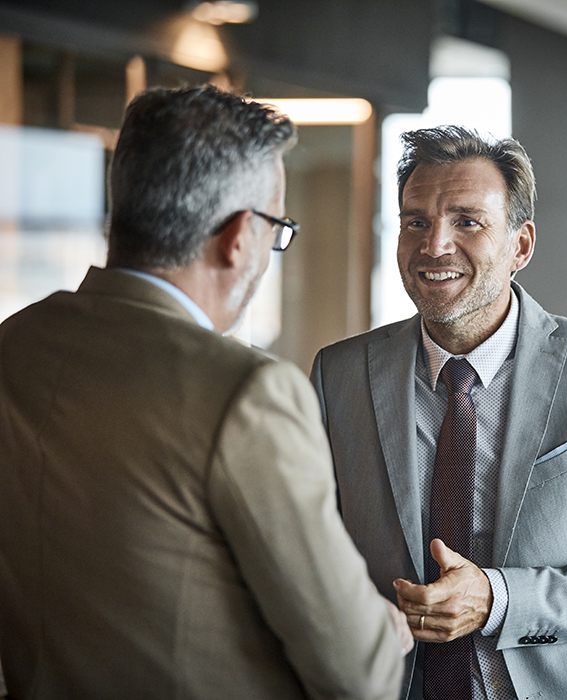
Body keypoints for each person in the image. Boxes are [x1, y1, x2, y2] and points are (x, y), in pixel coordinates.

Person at [0, 85, 410, 700]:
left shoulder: (15, 343)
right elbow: (361, 674)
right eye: (278, 228)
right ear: (241, 235)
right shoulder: (248, 394)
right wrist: (387, 628)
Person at [311, 125, 567, 699]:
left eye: (467, 221)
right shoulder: (338, 374)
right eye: (416, 221)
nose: (434, 244)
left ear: (521, 245)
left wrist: (498, 599)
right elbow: (313, 551)